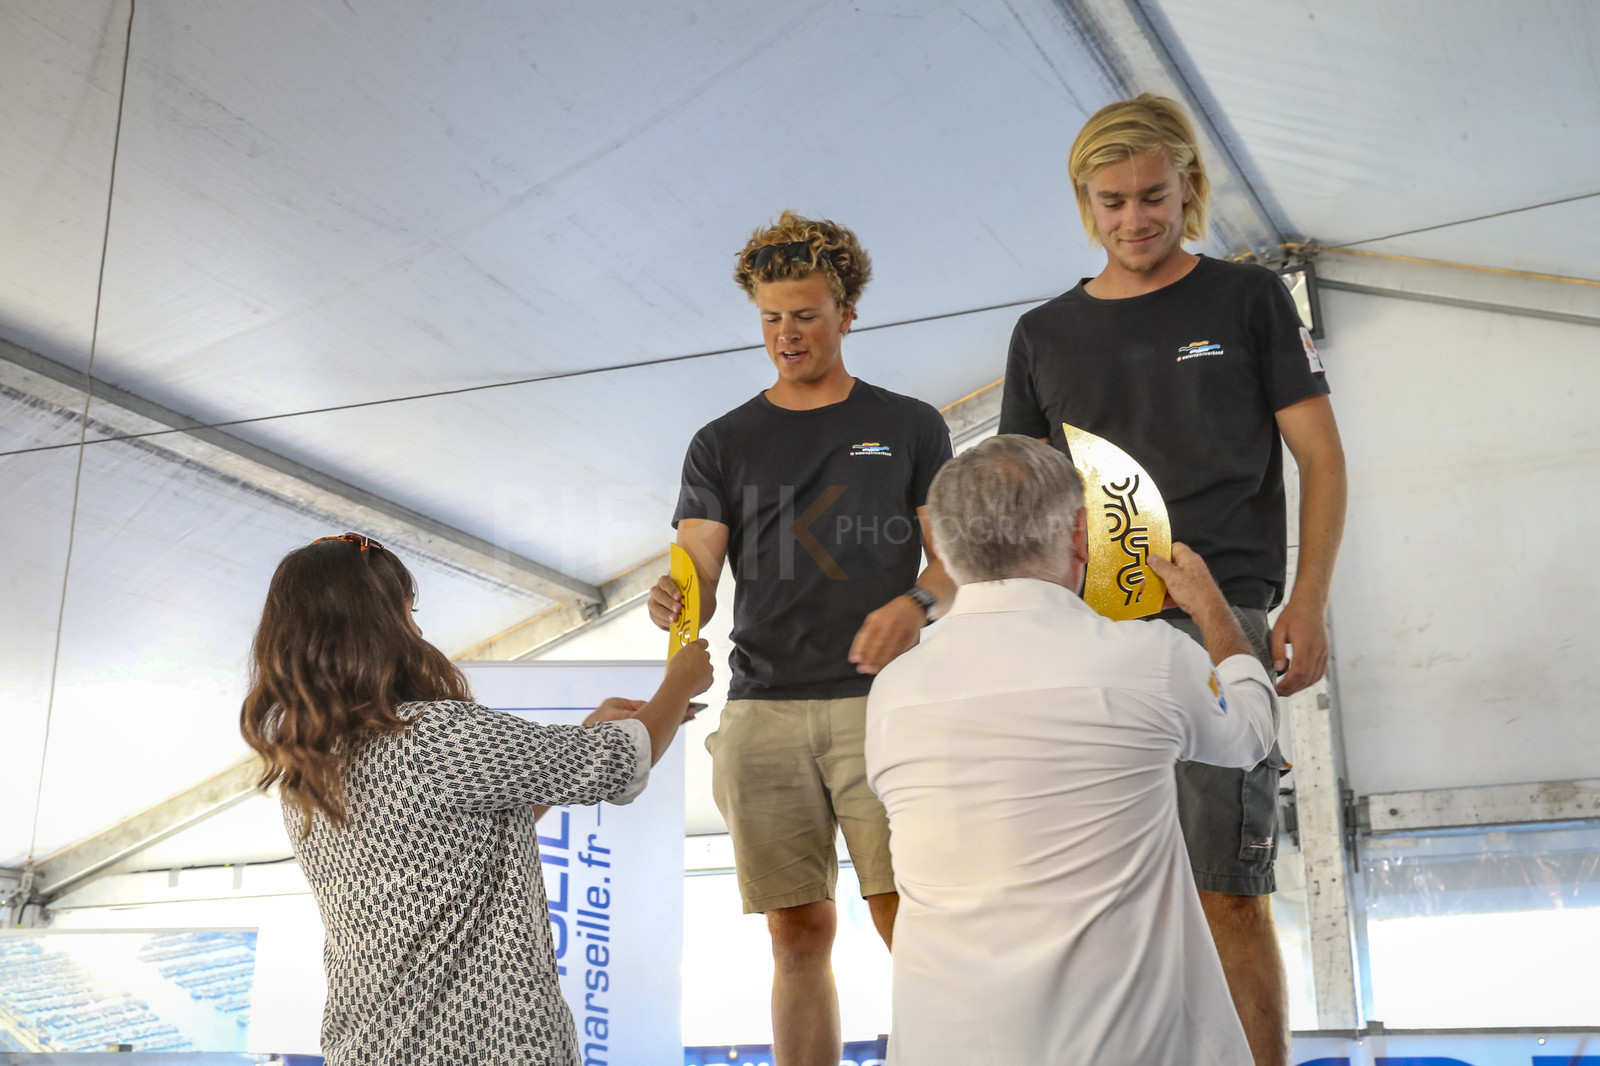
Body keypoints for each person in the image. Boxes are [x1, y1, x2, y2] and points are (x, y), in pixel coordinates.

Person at [999, 93, 1347, 1064]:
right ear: (1084, 203)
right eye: (1110, 202)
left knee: (1227, 892)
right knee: (1090, 901)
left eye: (1151, 196)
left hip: (1216, 632)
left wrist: (1306, 600)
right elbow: (1018, 508)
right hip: (1081, 642)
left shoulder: (1247, 300)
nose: (1133, 220)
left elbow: (1322, 458)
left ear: (1187, 185)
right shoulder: (1042, 334)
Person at [648, 212, 955, 1066]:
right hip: (762, 714)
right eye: (772, 317)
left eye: (807, 315)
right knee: (796, 933)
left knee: (913, 923)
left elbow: (956, 563)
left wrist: (917, 606)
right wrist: (678, 596)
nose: (788, 335)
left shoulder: (911, 424)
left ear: (848, 313)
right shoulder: (720, 441)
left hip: (885, 708)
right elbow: (699, 575)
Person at [864, 435, 1278, 1065]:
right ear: (1084, 536)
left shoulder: (892, 692)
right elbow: (1252, 732)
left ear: (941, 548)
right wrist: (1209, 607)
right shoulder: (1149, 659)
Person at [240, 532, 712, 1066]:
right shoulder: (432, 736)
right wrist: (679, 680)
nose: (417, 629)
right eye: (407, 612)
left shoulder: (308, 768)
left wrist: (586, 732)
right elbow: (617, 764)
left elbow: (463, 837)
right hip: (484, 1047)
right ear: (376, 627)